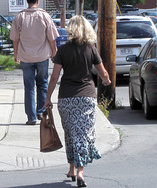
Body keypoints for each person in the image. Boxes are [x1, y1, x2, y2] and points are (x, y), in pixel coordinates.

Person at [44, 15, 111, 187]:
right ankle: (80, 172)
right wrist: (106, 81)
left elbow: (54, 77)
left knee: (71, 134)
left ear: (71, 29)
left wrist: (47, 98)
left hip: (66, 98)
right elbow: (103, 73)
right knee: (83, 134)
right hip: (86, 97)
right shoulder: (91, 49)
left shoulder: (63, 51)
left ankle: (72, 169)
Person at [10, 0, 59, 125]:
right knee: (42, 84)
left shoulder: (20, 17)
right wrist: (54, 52)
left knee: (29, 86)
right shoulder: (44, 16)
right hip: (42, 56)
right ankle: (42, 113)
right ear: (37, 1)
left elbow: (15, 38)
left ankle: (31, 117)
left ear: (27, 1)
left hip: (26, 57)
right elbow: (52, 37)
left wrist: (16, 54)